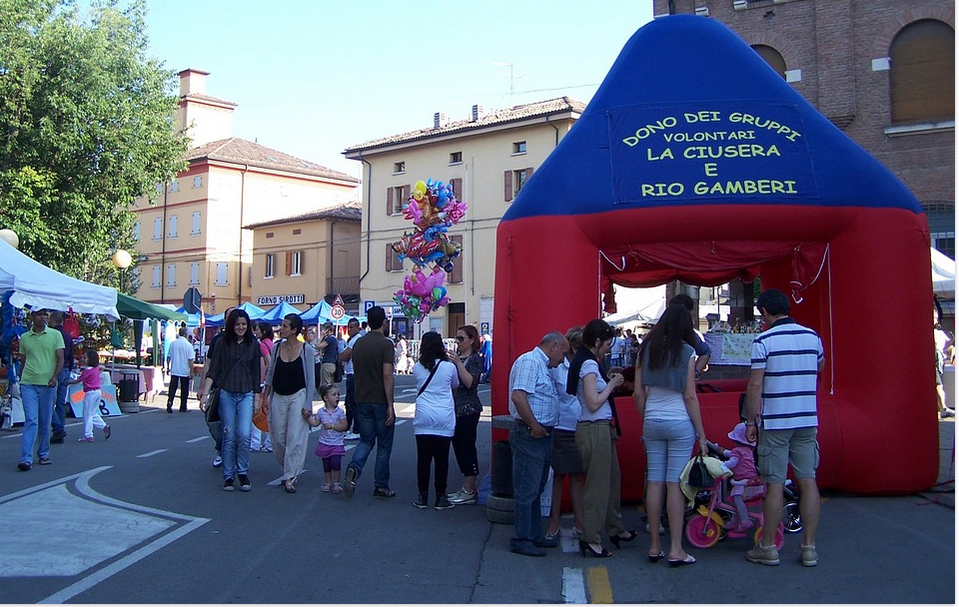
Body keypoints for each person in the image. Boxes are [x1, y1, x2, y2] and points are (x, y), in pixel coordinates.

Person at [744, 288, 824, 567]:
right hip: (807, 419)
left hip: (776, 422)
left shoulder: (763, 340)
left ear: (764, 312)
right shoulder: (812, 337)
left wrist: (750, 420)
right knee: (808, 480)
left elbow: (755, 384)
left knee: (774, 484)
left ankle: (768, 547)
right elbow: (820, 365)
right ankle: (809, 548)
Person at [634, 304, 708, 567]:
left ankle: (654, 545)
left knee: (654, 481)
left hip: (652, 420)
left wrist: (646, 418)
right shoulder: (687, 352)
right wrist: (701, 434)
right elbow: (690, 396)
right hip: (679, 423)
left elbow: (638, 393)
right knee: (675, 484)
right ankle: (676, 549)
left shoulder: (646, 349)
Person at [568, 319, 634, 558]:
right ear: (597, 341)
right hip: (594, 427)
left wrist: (606, 379)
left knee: (611, 480)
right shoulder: (588, 365)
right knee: (597, 487)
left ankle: (615, 528)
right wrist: (612, 384)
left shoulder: (587, 362)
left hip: (598, 428)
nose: (608, 348)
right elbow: (594, 402)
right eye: (607, 343)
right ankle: (592, 538)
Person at [507, 331, 568, 557]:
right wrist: (533, 425)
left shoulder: (543, 366)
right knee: (527, 488)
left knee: (535, 487)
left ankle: (532, 535)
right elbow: (519, 396)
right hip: (530, 434)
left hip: (540, 433)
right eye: (562, 352)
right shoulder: (530, 362)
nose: (563, 357)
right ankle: (523, 538)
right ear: (553, 347)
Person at [199, 308, 262, 492]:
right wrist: (204, 394)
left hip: (246, 394)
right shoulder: (221, 343)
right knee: (229, 435)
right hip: (226, 393)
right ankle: (228, 475)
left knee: (244, 434)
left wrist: (257, 397)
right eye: (237, 324)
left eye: (244, 324)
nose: (241, 327)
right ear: (231, 325)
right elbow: (213, 370)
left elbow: (256, 373)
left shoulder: (253, 344)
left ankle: (242, 472)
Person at [343, 306, 397, 499]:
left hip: (362, 398)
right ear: (383, 322)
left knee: (366, 441)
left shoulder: (359, 343)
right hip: (380, 400)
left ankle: (354, 468)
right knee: (383, 445)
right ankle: (381, 486)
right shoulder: (386, 344)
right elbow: (387, 374)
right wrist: (390, 404)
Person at [261, 313, 315, 494]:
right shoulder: (277, 348)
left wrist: (308, 404)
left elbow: (311, 380)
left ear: (294, 330)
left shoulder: (306, 349)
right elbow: (270, 373)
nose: (280, 328)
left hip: (298, 395)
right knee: (278, 437)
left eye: (284, 326)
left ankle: (290, 476)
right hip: (279, 395)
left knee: (295, 437)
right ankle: (289, 466)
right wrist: (265, 395)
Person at [544, 326, 586, 541]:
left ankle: (580, 522)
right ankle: (554, 522)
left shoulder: (587, 365)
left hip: (580, 424)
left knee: (578, 477)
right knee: (559, 477)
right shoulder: (556, 367)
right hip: (561, 425)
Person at [411, 332, 459, 510]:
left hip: (423, 416)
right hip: (444, 417)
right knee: (442, 460)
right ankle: (440, 497)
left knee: (423, 459)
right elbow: (455, 385)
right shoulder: (449, 367)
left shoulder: (417, 367)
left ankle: (422, 497)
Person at [16, 309, 64, 470]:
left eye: (45, 314)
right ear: (32, 317)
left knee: (45, 421)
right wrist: (21, 378)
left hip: (47, 384)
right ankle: (26, 458)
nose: (43, 317)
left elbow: (60, 358)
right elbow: (23, 360)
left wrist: (55, 377)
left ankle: (43, 453)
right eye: (39, 314)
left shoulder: (55, 335)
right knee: (31, 420)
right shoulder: (24, 338)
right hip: (28, 383)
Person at [447, 325, 484, 505]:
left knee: (467, 447)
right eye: (457, 339)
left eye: (461, 339)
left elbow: (470, 382)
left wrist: (459, 364)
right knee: (459, 447)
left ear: (471, 340)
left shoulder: (475, 359)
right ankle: (466, 487)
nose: (458, 342)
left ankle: (470, 488)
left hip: (468, 409)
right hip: (454, 409)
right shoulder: (457, 358)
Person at [706, 422, 758, 533]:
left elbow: (733, 461)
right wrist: (722, 451)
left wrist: (722, 465)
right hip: (748, 478)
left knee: (737, 498)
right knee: (735, 501)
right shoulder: (747, 450)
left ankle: (745, 521)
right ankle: (735, 521)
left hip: (743, 481)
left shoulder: (737, 451)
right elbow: (731, 454)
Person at [201, 306, 236, 469]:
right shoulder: (217, 340)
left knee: (232, 424)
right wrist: (202, 388)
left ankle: (228, 454)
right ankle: (222, 448)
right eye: (229, 317)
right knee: (213, 422)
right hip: (217, 387)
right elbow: (208, 364)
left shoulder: (246, 340)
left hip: (237, 389)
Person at [307, 383, 348, 492]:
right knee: (326, 464)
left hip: (337, 443)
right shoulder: (321, 412)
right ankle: (328, 482)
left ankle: (336, 483)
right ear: (326, 398)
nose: (337, 397)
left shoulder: (340, 412)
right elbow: (316, 423)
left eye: (338, 394)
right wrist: (308, 417)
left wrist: (333, 426)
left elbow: (344, 425)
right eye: (334, 395)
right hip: (324, 442)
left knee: (335, 462)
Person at [70, 350, 110, 442]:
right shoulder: (96, 369)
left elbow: (78, 381)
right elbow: (101, 367)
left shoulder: (86, 372)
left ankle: (89, 434)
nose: (83, 359)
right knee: (93, 413)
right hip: (98, 392)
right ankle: (104, 426)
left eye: (85, 357)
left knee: (87, 414)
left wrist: (67, 382)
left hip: (90, 393)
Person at [668, 293, 711, 377]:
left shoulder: (691, 334)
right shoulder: (690, 335)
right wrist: (695, 372)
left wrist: (695, 372)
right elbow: (705, 352)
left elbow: (705, 352)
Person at [48, 310, 74, 443]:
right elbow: (71, 354)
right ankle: (60, 429)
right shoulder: (68, 336)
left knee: (48, 401)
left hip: (55, 370)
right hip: (65, 369)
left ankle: (58, 428)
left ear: (52, 320)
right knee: (60, 402)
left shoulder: (52, 335)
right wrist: (69, 368)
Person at [337, 317, 363, 440]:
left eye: (352, 327)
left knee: (353, 403)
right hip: (351, 373)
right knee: (348, 402)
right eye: (349, 327)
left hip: (354, 374)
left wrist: (345, 356)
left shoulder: (355, 340)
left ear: (358, 327)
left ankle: (356, 429)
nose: (350, 329)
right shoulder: (352, 340)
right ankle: (347, 427)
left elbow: (343, 356)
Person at [251, 321, 274, 451]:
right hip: (270, 382)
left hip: (264, 382)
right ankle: (268, 443)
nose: (255, 332)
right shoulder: (271, 343)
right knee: (267, 413)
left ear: (263, 331)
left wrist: (263, 381)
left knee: (259, 412)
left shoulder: (262, 345)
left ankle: (257, 442)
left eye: (257, 330)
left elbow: (268, 363)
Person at [166, 326, 194, 413]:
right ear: (186, 335)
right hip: (184, 370)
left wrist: (168, 367)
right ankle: (183, 406)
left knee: (172, 387)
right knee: (184, 389)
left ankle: (170, 402)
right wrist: (192, 371)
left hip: (174, 369)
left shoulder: (173, 343)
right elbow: (191, 360)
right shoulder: (188, 345)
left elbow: (168, 357)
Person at [934, 306, 955, 419]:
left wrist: (952, 351)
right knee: (938, 384)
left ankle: (941, 407)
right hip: (934, 358)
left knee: (939, 383)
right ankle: (943, 408)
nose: (935, 319)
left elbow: (949, 347)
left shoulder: (939, 333)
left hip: (939, 359)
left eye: (936, 317)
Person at [317, 321, 339, 387]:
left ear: (327, 330)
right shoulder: (335, 339)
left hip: (327, 364)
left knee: (326, 386)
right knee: (331, 385)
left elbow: (318, 346)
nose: (322, 331)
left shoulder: (329, 339)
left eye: (323, 329)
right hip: (333, 364)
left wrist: (321, 336)